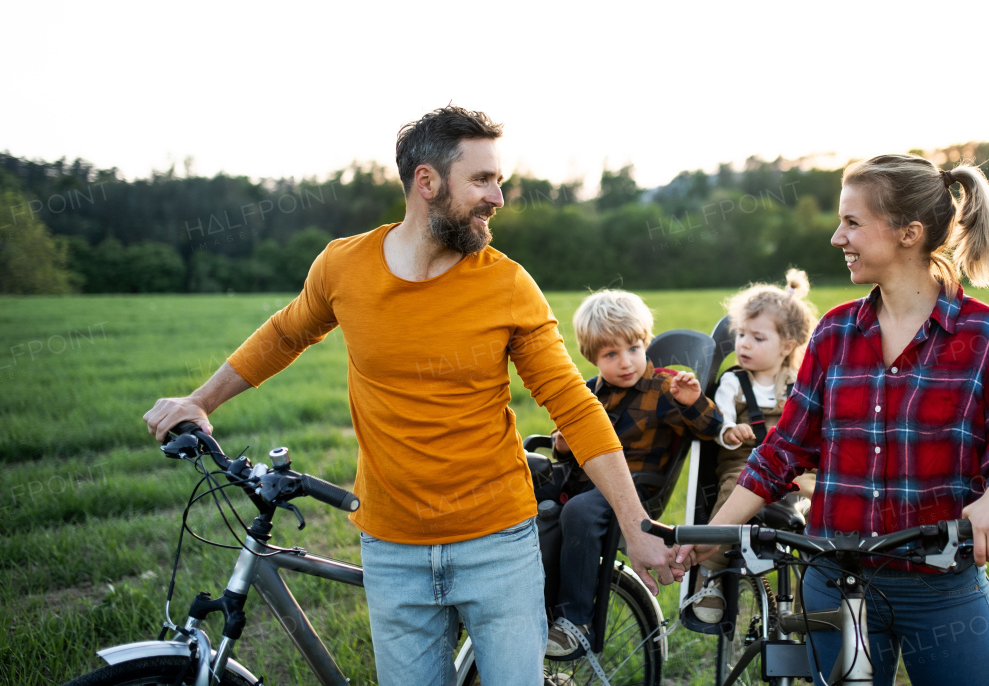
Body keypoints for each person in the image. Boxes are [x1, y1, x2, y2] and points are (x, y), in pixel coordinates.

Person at [142, 106, 683, 686]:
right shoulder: (343, 267)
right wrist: (203, 400)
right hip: (393, 549)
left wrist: (634, 522)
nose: (498, 197)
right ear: (426, 182)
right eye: (482, 180)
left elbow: (574, 405)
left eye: (499, 180)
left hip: (498, 545)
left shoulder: (506, 284)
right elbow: (285, 332)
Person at [677, 154, 989, 686]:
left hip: (942, 589)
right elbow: (785, 450)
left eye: (852, 222)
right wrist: (711, 533)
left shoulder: (988, 336)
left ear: (909, 233)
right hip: (835, 583)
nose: (837, 237)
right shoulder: (833, 334)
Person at [542, 289, 722, 658]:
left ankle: (575, 621)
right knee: (531, 481)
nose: (626, 362)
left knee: (579, 511)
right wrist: (561, 446)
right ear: (592, 357)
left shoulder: (663, 390)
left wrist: (693, 402)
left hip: (634, 492)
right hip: (584, 482)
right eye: (611, 354)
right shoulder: (590, 392)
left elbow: (710, 430)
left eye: (634, 348)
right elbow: (571, 443)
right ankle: (534, 604)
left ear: (647, 343)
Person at [690, 268, 818, 624]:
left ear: (788, 346)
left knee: (825, 497)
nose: (744, 344)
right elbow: (723, 421)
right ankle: (710, 576)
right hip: (744, 463)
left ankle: (822, 584)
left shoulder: (796, 382)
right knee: (732, 494)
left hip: (795, 467)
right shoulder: (733, 381)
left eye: (757, 338)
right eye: (742, 334)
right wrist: (731, 432)